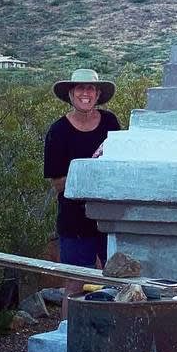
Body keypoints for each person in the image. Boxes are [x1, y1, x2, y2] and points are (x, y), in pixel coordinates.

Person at [44, 68, 121, 280]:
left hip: (110, 217)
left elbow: (119, 163)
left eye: (91, 88)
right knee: (76, 284)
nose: (85, 93)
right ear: (71, 94)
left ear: (97, 95)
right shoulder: (58, 131)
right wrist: (89, 175)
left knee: (117, 280)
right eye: (80, 88)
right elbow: (58, 184)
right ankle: (71, 316)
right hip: (75, 221)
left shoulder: (110, 123)